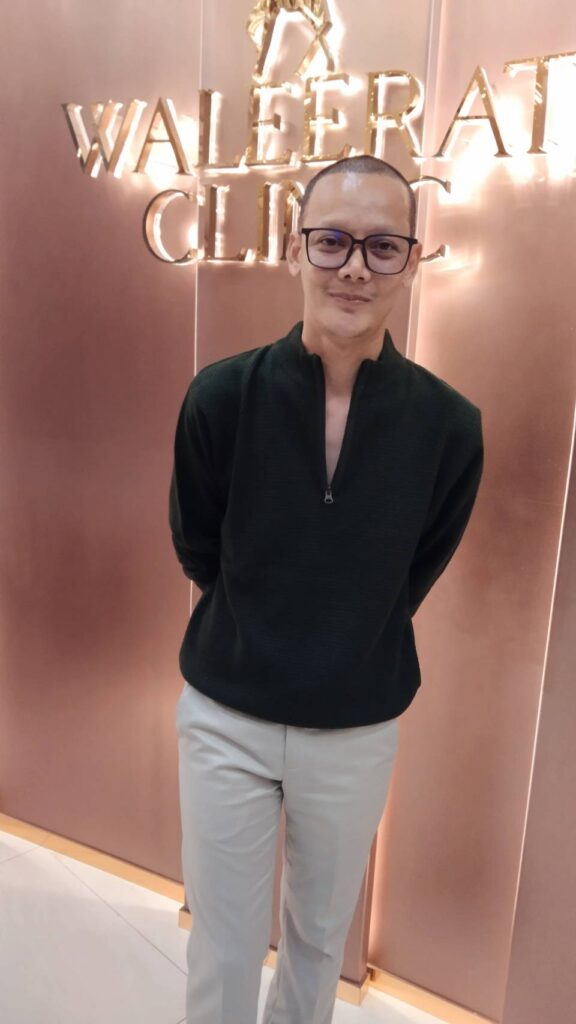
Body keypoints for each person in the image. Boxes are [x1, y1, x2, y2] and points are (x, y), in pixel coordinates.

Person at [169, 154, 484, 1024]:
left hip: (355, 728)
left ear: (411, 261)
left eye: (383, 246)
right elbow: (198, 545)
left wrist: (345, 632)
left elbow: (417, 567)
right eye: (333, 240)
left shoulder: (450, 426)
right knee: (224, 944)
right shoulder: (221, 396)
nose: (354, 267)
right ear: (296, 248)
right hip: (225, 716)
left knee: (318, 945)